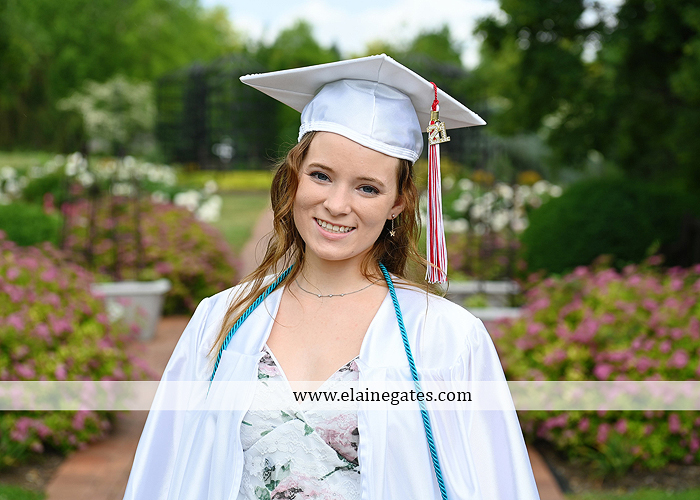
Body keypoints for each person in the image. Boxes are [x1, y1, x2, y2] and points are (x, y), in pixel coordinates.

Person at [123, 54, 540, 500]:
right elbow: (167, 470)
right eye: (321, 176)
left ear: (398, 203)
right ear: (294, 178)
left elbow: (494, 481)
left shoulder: (445, 338)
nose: (337, 205)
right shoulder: (221, 319)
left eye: (367, 187)